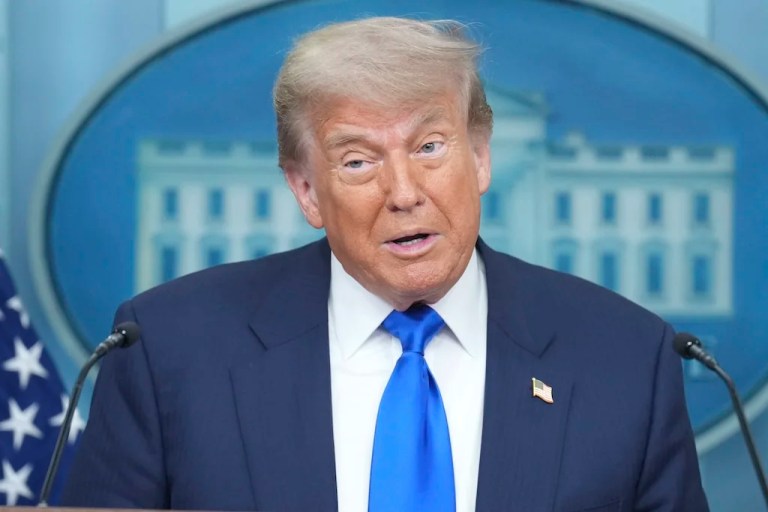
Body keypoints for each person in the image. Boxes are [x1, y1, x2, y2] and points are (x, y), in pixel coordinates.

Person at [61, 17, 709, 511]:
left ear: (479, 157)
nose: (404, 192)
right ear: (306, 189)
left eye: (430, 146)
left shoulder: (625, 357)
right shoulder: (167, 349)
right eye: (358, 161)